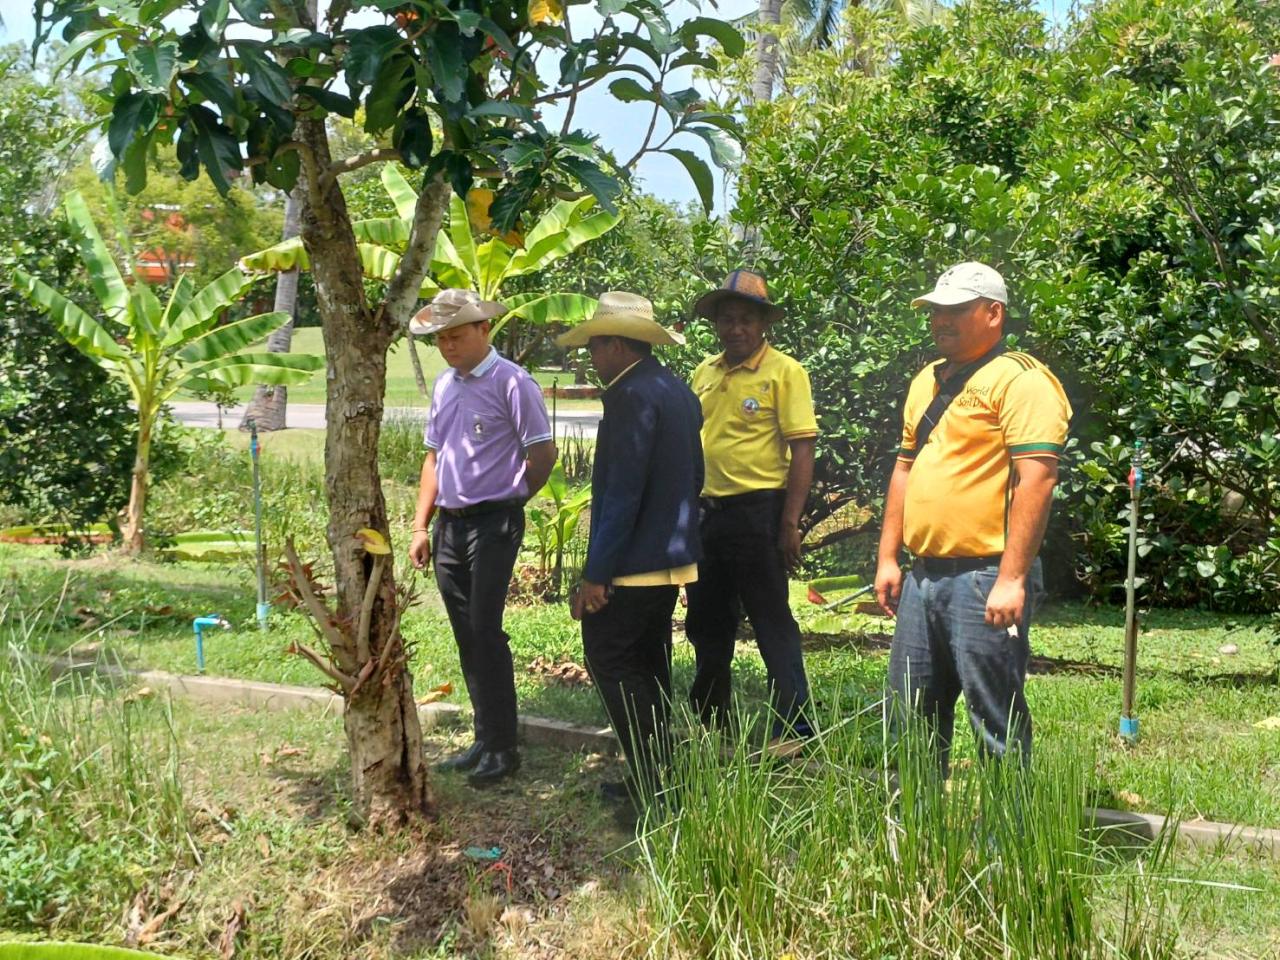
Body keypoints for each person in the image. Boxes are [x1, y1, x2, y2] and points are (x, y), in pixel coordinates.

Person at [874, 262, 1071, 772]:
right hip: (923, 576)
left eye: (956, 309)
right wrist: (888, 558)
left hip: (986, 577)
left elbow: (1037, 480)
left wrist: (1012, 578)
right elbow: (904, 468)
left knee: (994, 721)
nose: (941, 320)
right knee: (910, 717)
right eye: (936, 311)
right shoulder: (926, 380)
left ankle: (1008, 825)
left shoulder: (1022, 380)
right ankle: (914, 819)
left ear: (993, 313)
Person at [555, 292, 703, 811]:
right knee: (649, 666)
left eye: (595, 346)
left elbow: (621, 493)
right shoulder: (675, 389)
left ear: (617, 345)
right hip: (669, 556)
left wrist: (597, 572)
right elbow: (693, 476)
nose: (591, 357)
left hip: (634, 562)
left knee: (612, 661)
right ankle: (659, 775)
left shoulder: (630, 396)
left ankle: (650, 783)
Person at [408, 288, 557, 787]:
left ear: (483, 329)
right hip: (449, 524)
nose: (448, 346)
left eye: (456, 335)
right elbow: (434, 457)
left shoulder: (512, 382)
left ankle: (503, 746)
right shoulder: (444, 385)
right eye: (440, 339)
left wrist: (513, 498)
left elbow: (543, 454)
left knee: (487, 631)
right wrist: (420, 525)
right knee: (466, 632)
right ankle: (482, 737)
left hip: (494, 522)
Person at [684, 271, 819, 742]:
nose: (736, 328)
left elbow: (803, 449)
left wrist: (790, 522)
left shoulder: (785, 372)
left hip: (758, 513)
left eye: (746, 319)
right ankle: (711, 719)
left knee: (770, 619)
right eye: (727, 319)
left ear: (763, 324)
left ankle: (796, 727)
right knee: (707, 621)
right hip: (708, 514)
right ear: (716, 324)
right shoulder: (704, 372)